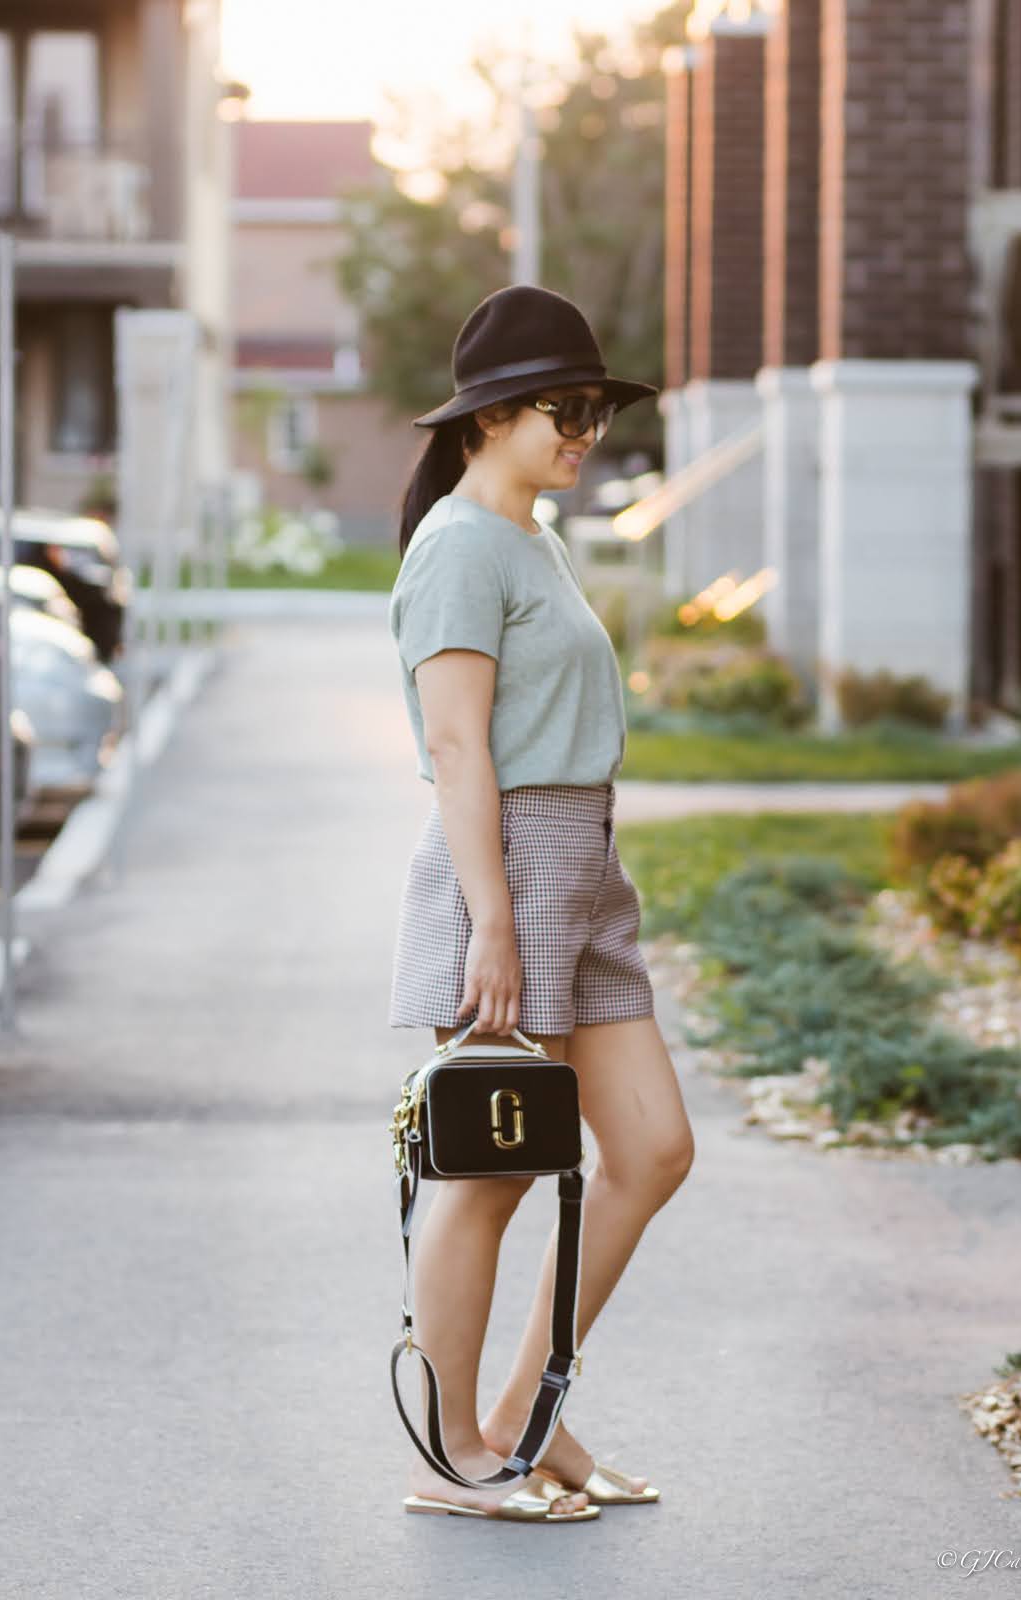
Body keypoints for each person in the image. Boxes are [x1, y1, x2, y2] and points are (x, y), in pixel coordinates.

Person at [387, 284, 696, 1523]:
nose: (584, 432)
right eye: (564, 411)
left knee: (654, 1150)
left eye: (591, 412)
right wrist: (497, 922)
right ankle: (451, 1451)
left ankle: (526, 1409)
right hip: (508, 869)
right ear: (489, 416)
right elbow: (458, 749)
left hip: (584, 872)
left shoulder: (531, 538)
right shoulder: (459, 545)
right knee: (494, 1172)